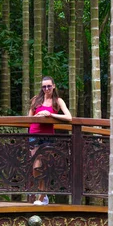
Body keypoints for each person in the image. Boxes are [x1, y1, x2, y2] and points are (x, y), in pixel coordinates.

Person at [28, 76, 72, 205]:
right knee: (36, 167)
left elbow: (68, 117)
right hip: (34, 134)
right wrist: (37, 116)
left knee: (44, 167)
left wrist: (50, 115)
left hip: (48, 137)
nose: (46, 89)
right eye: (44, 87)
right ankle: (43, 193)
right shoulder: (36, 100)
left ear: (53, 86)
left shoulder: (57, 101)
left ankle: (41, 197)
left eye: (48, 86)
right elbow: (28, 118)